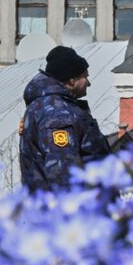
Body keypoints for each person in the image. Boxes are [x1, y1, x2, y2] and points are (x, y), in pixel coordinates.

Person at [19, 45, 111, 191]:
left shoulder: (44, 105)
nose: (88, 82)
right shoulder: (58, 115)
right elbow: (63, 175)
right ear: (71, 80)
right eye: (85, 76)